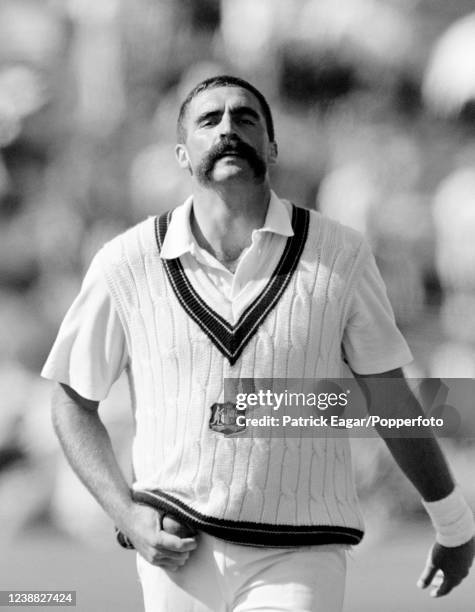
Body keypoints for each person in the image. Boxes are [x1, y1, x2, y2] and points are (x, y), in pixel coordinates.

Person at [41, 75, 474, 612]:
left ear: (271, 146)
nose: (228, 129)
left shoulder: (340, 253)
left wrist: (452, 522)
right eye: (209, 120)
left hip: (300, 548)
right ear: (181, 154)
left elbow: (390, 399)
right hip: (177, 550)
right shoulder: (125, 263)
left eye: (245, 118)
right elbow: (70, 400)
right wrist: (126, 513)